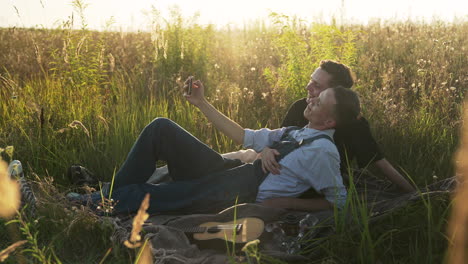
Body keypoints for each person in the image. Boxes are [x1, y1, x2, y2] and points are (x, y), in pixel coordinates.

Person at [75, 82, 361, 215]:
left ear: (330, 120)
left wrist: (285, 203)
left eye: (319, 101)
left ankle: (77, 204)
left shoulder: (323, 152)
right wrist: (201, 102)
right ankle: (107, 194)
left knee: (146, 195)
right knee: (161, 127)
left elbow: (338, 201)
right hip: (229, 173)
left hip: (234, 195)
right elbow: (244, 136)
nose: (310, 100)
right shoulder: (297, 131)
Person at [224, 60, 415, 202]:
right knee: (233, 157)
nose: (308, 87)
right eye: (311, 80)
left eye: (317, 86)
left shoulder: (355, 126)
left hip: (302, 182)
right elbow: (276, 139)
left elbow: (380, 162)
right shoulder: (301, 107)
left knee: (230, 172)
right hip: (274, 164)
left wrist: (415, 194)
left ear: (334, 93)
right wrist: (265, 150)